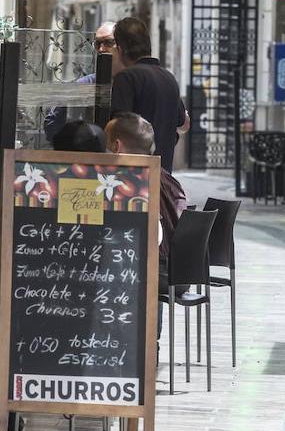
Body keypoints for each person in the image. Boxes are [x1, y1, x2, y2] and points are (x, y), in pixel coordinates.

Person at [110, 17, 189, 171]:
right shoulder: (168, 78)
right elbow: (182, 122)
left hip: (134, 174)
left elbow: (119, 125)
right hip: (162, 174)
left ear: (120, 50)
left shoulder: (127, 77)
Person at [105, 113, 186, 261]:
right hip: (175, 269)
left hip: (148, 272)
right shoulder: (168, 180)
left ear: (116, 146)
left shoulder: (120, 184)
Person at [43, 22, 118, 142]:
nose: (101, 49)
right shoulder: (85, 84)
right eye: (98, 43)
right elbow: (53, 122)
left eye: (108, 42)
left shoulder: (131, 81)